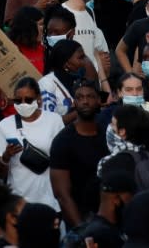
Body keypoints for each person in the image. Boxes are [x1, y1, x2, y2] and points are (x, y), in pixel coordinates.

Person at [0, 77, 64, 210]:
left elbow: (64, 161)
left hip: (50, 200)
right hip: (18, 202)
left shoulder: (54, 121)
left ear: (38, 98)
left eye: (28, 99)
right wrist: (6, 157)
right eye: (18, 101)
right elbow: (0, 174)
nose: (23, 104)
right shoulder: (4, 125)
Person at [50, 80, 108, 228]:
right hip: (80, 218)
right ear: (74, 102)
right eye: (80, 97)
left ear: (99, 100)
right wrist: (82, 231)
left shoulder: (108, 135)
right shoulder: (62, 141)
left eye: (90, 96)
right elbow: (62, 195)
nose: (85, 101)